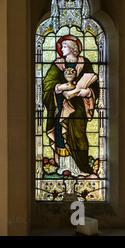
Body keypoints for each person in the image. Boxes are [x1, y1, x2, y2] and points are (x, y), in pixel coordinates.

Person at [43, 35, 99, 177]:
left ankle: (80, 168)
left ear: (73, 48)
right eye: (61, 47)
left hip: (79, 106)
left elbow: (94, 85)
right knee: (61, 136)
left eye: (64, 46)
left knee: (79, 135)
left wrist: (87, 92)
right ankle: (64, 167)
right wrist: (60, 87)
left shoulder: (84, 63)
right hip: (61, 106)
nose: (61, 49)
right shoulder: (57, 64)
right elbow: (47, 85)